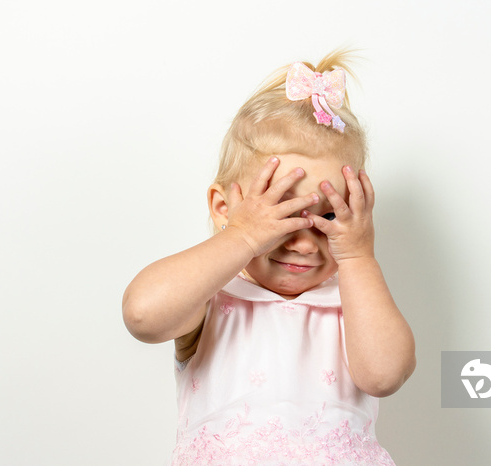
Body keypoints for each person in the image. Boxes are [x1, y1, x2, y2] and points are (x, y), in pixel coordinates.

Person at [122, 50, 416, 465]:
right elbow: (142, 316)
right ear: (224, 208)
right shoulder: (211, 299)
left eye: (329, 215)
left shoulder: (352, 305)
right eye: (282, 213)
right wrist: (244, 236)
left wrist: (358, 258)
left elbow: (385, 375)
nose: (304, 242)